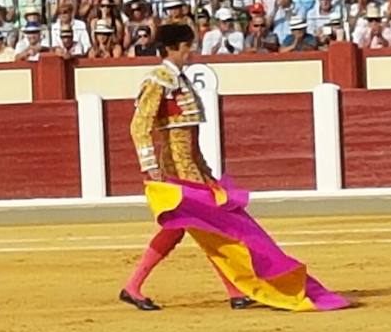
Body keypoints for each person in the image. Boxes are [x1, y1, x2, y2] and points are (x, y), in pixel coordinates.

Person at [121, 23, 350, 312]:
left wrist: (206, 173)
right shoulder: (158, 80)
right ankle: (140, 286)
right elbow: (139, 126)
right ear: (172, 48)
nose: (190, 53)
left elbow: (189, 140)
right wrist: (150, 168)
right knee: (213, 230)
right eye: (186, 47)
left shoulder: (177, 79)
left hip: (192, 170)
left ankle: (149, 287)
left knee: (204, 229)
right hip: (176, 174)